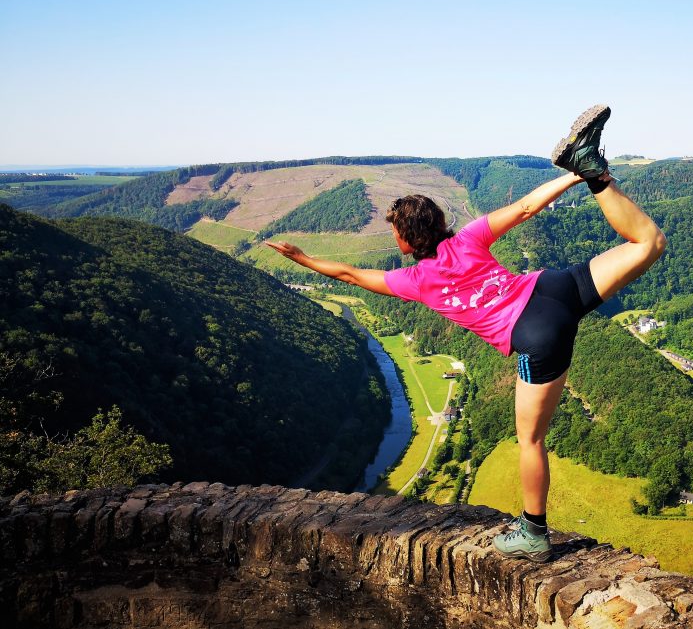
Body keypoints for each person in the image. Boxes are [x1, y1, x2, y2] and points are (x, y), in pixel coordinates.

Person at [265, 106, 666, 562]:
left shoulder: (414, 281)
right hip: (554, 287)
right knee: (648, 242)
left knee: (530, 440)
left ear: (407, 240)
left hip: (537, 333)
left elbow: (350, 275)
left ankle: (534, 533)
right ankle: (597, 174)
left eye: (395, 230)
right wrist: (576, 176)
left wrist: (302, 258)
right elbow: (527, 207)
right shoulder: (469, 238)